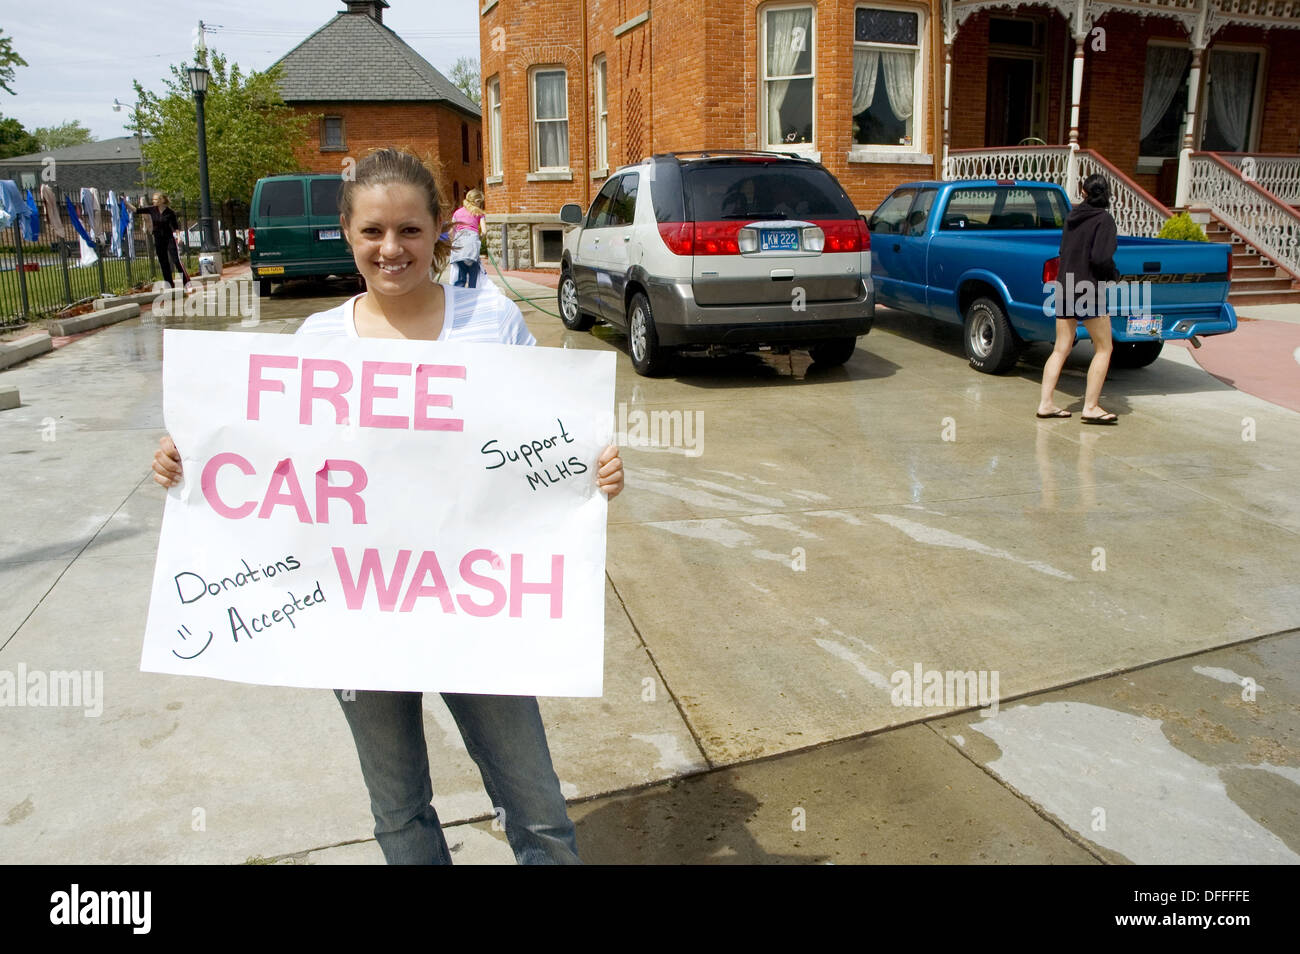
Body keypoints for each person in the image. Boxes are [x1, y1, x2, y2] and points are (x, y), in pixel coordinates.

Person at [150, 148, 625, 864]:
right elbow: (269, 466)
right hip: (357, 614)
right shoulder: (319, 343)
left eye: (409, 229)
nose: (391, 248)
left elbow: (545, 440)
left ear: (440, 228)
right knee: (398, 811)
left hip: (477, 605)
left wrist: (591, 468)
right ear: (347, 232)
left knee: (537, 807)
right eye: (373, 231)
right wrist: (189, 462)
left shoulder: (489, 321)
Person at [1037, 173, 1120, 424]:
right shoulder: (1103, 220)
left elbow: (1063, 251)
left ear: (1083, 192)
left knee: (1061, 347)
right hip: (1088, 288)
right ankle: (1091, 407)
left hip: (1065, 284)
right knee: (1104, 347)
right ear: (1106, 194)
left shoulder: (1071, 218)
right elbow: (1100, 259)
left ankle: (1046, 404)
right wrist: (1114, 275)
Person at [127, 193, 186, 290]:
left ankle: (186, 283)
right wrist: (126, 203)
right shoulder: (152, 209)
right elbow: (136, 210)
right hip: (158, 238)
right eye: (153, 200)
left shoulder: (170, 212)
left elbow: (175, 227)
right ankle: (169, 284)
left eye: (155, 199)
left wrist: (179, 237)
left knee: (176, 260)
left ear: (162, 200)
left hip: (169, 238)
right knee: (163, 262)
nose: (153, 201)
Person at [449, 188, 485, 288]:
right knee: (473, 278)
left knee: (460, 277)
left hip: (459, 246)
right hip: (472, 246)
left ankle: (459, 299)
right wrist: (479, 239)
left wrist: (452, 244)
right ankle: (473, 298)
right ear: (475, 201)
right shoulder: (479, 213)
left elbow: (451, 231)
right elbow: (484, 231)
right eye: (479, 202)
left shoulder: (457, 213)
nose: (480, 204)